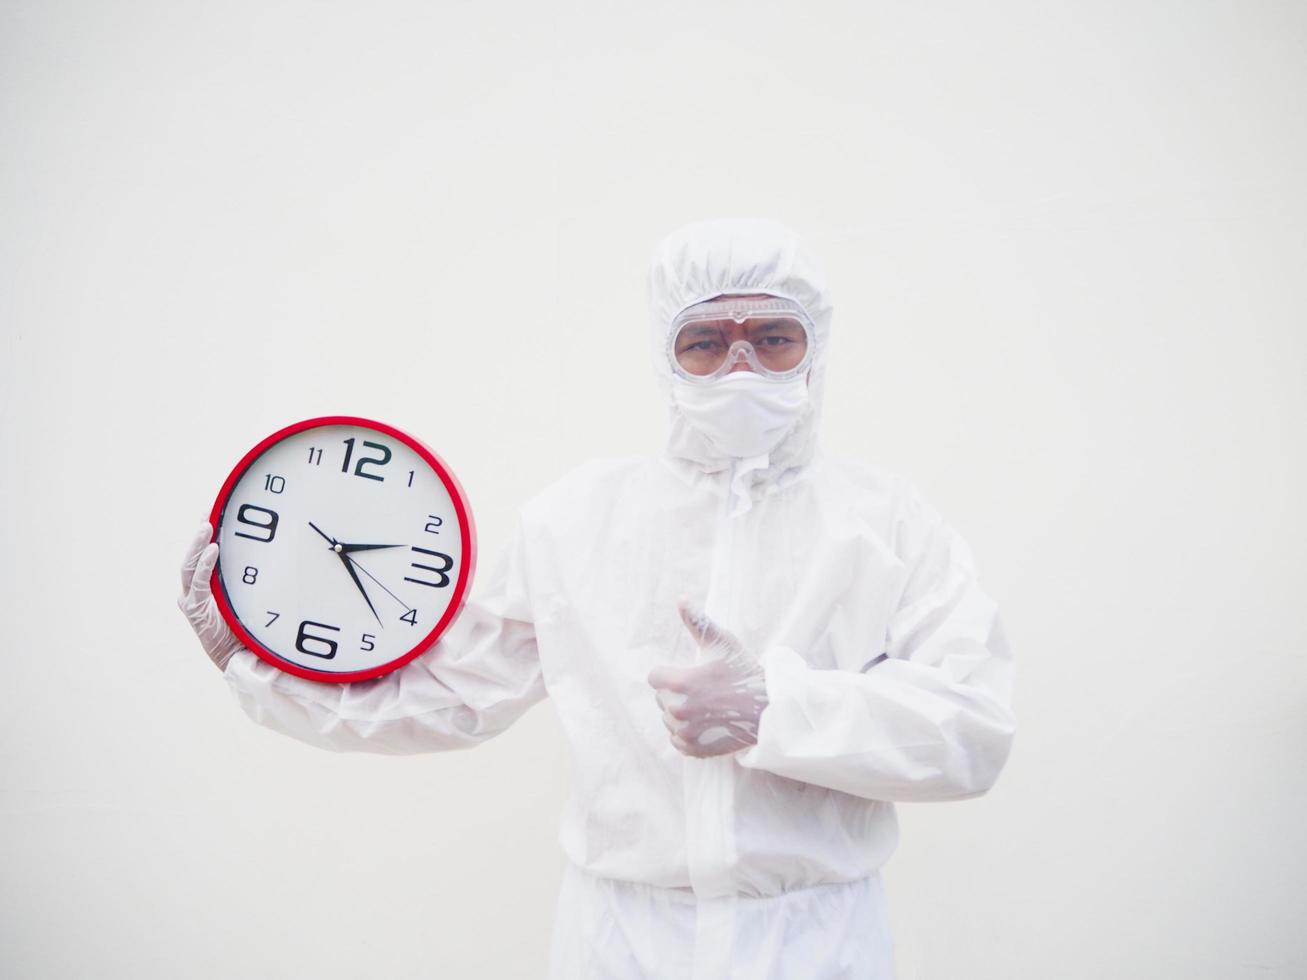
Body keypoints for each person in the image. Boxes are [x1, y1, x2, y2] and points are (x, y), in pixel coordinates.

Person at [178, 218, 1016, 979]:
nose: (739, 366)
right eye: (704, 341)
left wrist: (777, 707)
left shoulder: (886, 523)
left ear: (815, 348)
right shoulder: (577, 520)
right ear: (665, 352)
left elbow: (971, 729)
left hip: (819, 944)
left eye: (772, 339)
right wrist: (255, 665)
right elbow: (445, 695)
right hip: (620, 941)